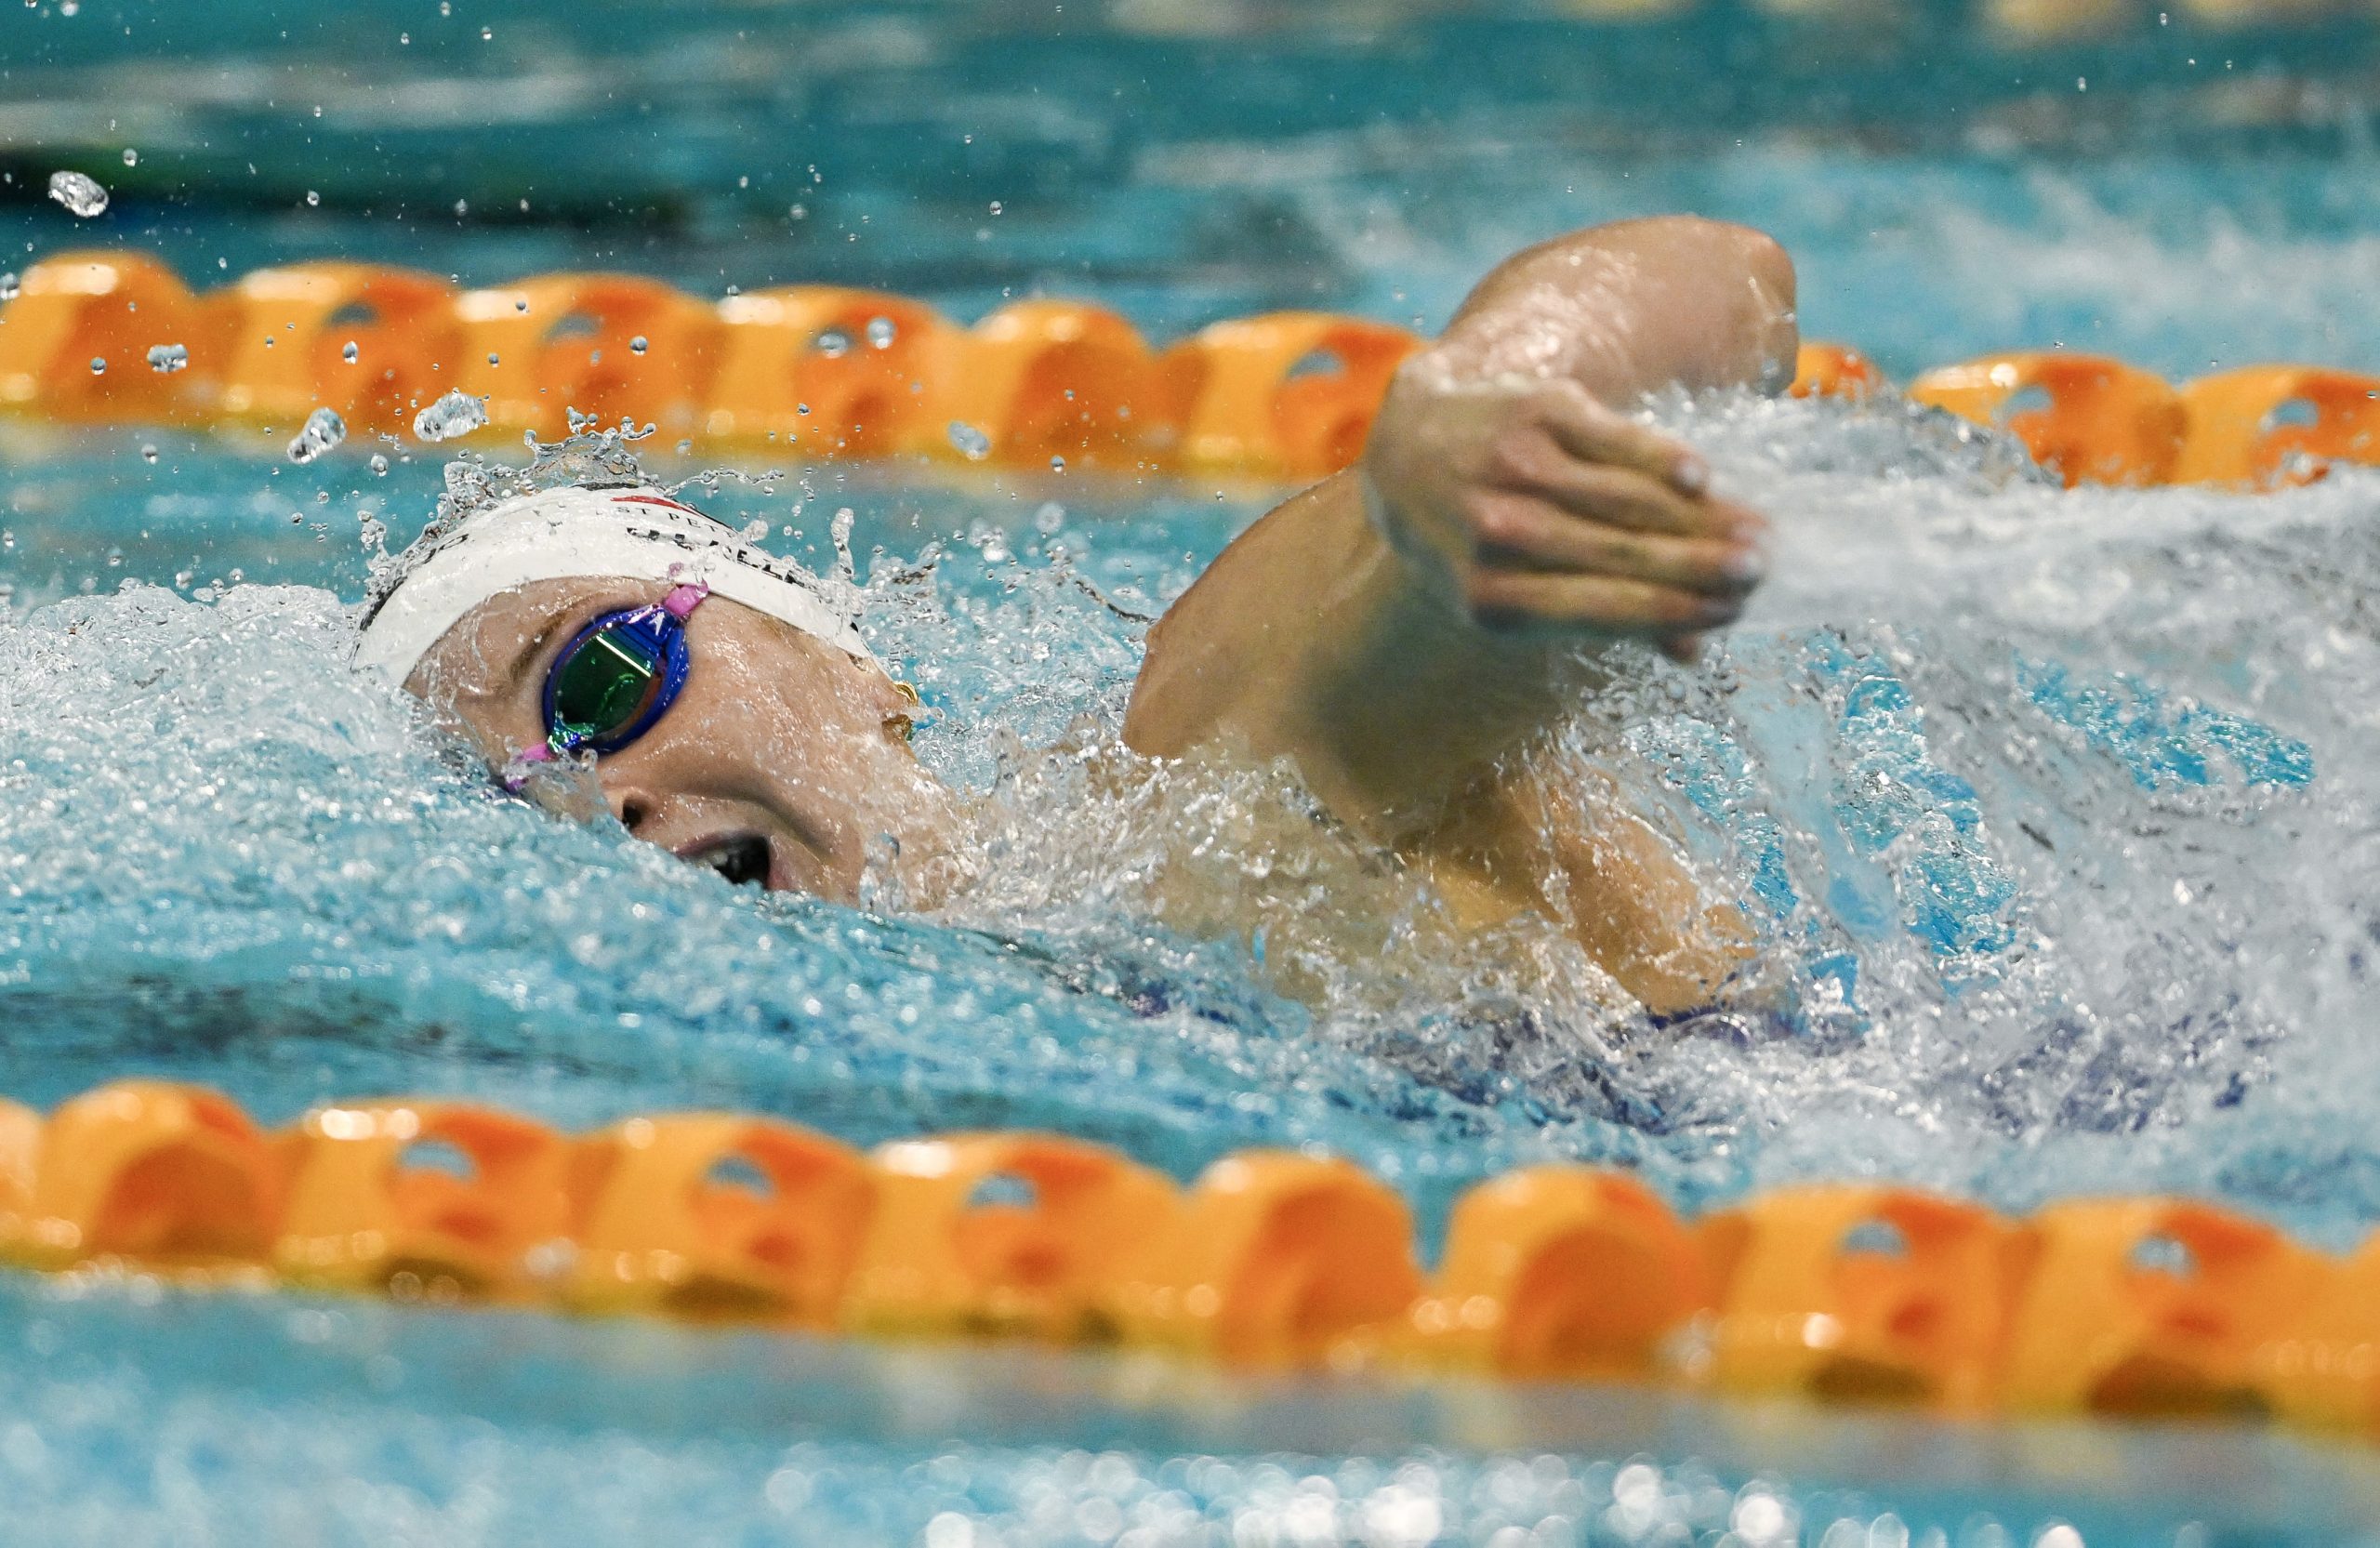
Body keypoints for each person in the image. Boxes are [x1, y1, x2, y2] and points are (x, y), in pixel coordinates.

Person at [356, 217, 1795, 1016]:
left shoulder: (1194, 789)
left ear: (844, 658)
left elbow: (1725, 284)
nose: (583, 802)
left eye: (599, 681)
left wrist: (1500, 395)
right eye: (505, 805)